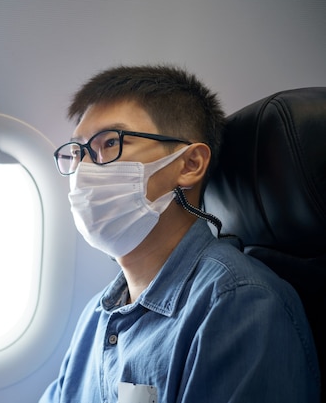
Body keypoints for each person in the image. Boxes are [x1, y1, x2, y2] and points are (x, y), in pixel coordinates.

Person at [39, 64, 320, 402]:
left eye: (110, 143)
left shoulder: (239, 304)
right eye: (79, 151)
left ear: (190, 165)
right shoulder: (96, 315)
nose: (84, 170)